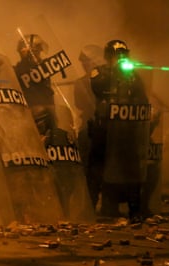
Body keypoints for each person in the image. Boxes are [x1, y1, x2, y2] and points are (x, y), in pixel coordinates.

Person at [87, 39, 150, 221]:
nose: (121, 58)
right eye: (117, 55)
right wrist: (116, 72)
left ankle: (135, 211)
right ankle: (90, 208)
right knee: (96, 169)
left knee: (131, 170)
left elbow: (142, 98)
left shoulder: (133, 75)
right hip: (104, 129)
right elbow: (98, 87)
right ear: (108, 57)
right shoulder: (99, 71)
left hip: (126, 131)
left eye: (123, 55)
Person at [73, 44, 104, 209]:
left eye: (87, 60)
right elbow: (80, 103)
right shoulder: (82, 83)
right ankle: (89, 203)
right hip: (90, 127)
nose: (85, 64)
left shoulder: (107, 80)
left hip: (103, 127)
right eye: (83, 61)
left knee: (96, 167)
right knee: (88, 167)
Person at [14, 34, 56, 136]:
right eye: (36, 51)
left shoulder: (45, 66)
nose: (38, 54)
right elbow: (4, 81)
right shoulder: (17, 70)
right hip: (30, 115)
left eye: (38, 51)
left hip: (49, 112)